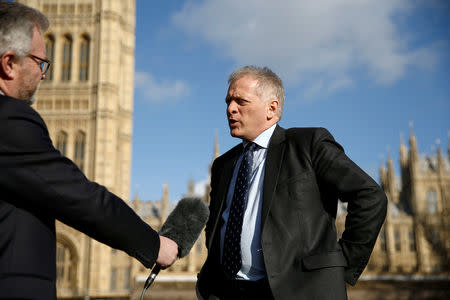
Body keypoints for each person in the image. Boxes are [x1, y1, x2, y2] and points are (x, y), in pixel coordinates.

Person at [0, 2, 178, 299]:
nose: (44, 75)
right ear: (9, 63)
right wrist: (154, 244)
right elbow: (78, 196)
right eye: (40, 62)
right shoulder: (9, 119)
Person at [196, 66, 387, 300]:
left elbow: (369, 196)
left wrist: (340, 265)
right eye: (228, 101)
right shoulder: (223, 165)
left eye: (240, 101)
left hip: (299, 291)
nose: (230, 109)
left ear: (271, 108)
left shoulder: (308, 145)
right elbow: (216, 226)